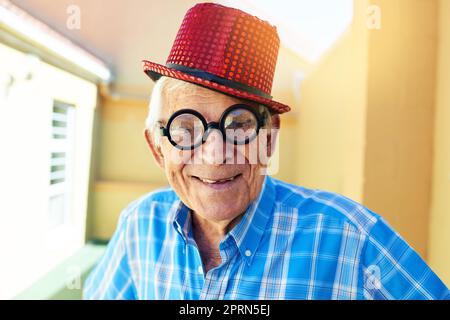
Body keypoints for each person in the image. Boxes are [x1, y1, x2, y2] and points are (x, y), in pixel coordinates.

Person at [83, 3, 449, 300]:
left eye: (239, 125)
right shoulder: (139, 228)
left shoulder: (351, 238)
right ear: (157, 147)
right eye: (187, 128)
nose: (214, 156)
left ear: (270, 140)